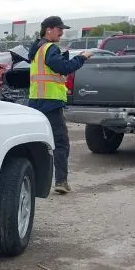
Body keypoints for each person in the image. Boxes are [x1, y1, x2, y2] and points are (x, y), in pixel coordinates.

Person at [28, 16, 93, 194]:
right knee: (61, 143)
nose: (62, 32)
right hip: (50, 102)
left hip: (36, 101)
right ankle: (61, 181)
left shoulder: (36, 48)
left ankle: (32, 181)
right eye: (59, 29)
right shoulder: (49, 47)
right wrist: (82, 58)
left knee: (38, 143)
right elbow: (62, 68)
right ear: (48, 29)